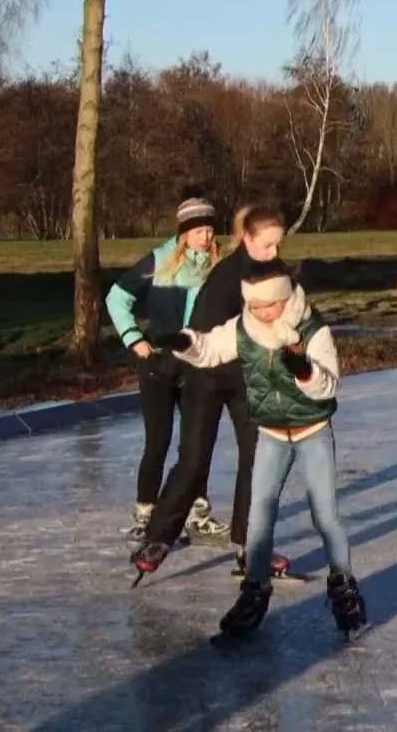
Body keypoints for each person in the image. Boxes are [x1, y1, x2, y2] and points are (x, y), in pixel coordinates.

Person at [156, 260, 365, 638]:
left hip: (312, 431)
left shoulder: (313, 330)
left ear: (285, 298)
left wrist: (304, 370)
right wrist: (183, 343)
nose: (260, 313)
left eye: (267, 305)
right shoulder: (244, 328)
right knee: (260, 515)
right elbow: (209, 349)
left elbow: (329, 387)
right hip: (270, 433)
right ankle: (254, 590)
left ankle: (343, 586)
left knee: (325, 515)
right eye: (253, 305)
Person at [132, 206, 294, 582]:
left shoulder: (278, 275)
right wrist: (170, 365)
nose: (273, 253)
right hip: (206, 377)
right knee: (193, 461)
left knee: (257, 460)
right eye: (267, 245)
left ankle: (248, 546)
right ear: (247, 239)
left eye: (278, 246)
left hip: (249, 380)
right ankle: (158, 540)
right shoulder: (226, 278)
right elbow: (201, 335)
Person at [106, 197, 228, 541]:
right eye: (198, 230)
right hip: (158, 364)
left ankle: (196, 512)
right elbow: (116, 297)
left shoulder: (219, 266)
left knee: (196, 444)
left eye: (209, 229)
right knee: (157, 442)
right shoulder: (158, 260)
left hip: (199, 366)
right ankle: (145, 513)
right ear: (184, 233)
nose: (206, 236)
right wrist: (134, 340)